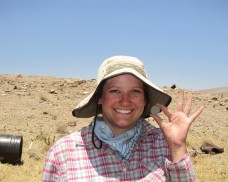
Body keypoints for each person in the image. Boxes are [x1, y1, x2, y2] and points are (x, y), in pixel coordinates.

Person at [42, 56, 204, 182]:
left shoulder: (164, 144)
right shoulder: (63, 152)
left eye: (135, 91)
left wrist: (177, 147)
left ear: (145, 100)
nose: (125, 101)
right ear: (100, 97)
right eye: (115, 91)